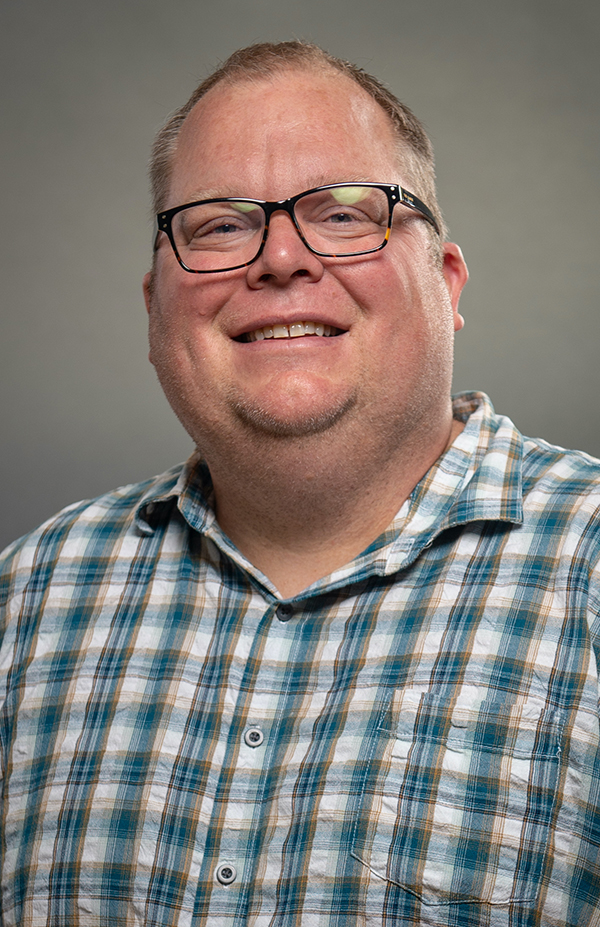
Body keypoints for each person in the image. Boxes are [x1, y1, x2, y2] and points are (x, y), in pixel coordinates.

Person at [1, 40, 599, 927]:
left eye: (347, 213)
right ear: (155, 308)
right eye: (219, 224)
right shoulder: (28, 600)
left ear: (446, 280)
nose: (280, 257)